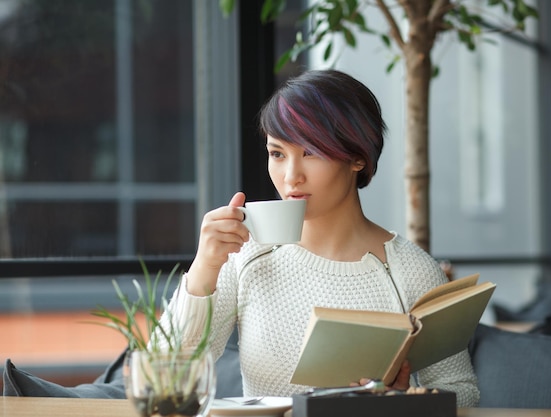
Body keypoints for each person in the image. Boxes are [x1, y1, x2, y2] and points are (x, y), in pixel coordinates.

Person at [160, 69, 479, 406]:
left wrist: (400, 405)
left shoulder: (411, 271)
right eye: (278, 154)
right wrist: (203, 269)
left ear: (358, 156)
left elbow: (464, 392)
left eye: (311, 152)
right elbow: (165, 380)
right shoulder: (243, 253)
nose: (291, 176)